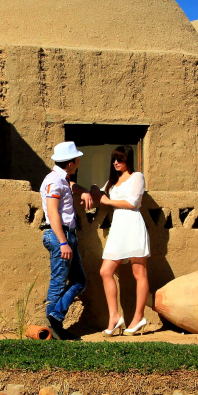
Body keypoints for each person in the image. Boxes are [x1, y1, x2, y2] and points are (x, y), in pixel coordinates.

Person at [92, 145, 150, 336]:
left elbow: (132, 202)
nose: (116, 163)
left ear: (128, 160)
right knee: (105, 271)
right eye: (114, 159)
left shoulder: (137, 177)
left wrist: (108, 202)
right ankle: (115, 316)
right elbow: (99, 193)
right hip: (118, 228)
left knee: (138, 272)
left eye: (121, 159)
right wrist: (88, 189)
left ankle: (138, 317)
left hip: (133, 224)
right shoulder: (112, 181)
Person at [40, 141, 94, 340]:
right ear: (70, 163)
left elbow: (70, 185)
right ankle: (54, 328)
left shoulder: (61, 179)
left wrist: (84, 191)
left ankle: (55, 318)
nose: (79, 161)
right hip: (59, 235)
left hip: (66, 235)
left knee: (79, 280)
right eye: (77, 159)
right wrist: (63, 242)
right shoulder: (54, 181)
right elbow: (53, 212)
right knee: (59, 283)